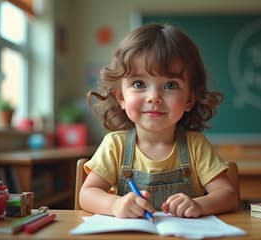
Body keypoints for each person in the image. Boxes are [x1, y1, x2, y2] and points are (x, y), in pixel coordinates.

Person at [79, 23, 238, 219]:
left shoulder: (196, 146)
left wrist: (199, 205)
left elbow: (228, 195)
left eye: (170, 85)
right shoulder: (115, 146)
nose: (154, 97)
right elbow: (86, 194)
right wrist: (115, 205)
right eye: (139, 84)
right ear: (121, 97)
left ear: (189, 99)